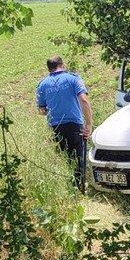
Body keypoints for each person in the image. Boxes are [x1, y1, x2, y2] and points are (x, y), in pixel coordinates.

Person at [36, 56, 93, 191]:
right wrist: (89, 124)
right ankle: (80, 189)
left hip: (55, 126)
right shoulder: (73, 78)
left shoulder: (42, 84)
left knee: (62, 158)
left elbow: (42, 110)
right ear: (62, 65)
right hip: (74, 124)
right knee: (78, 158)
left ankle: (66, 189)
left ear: (49, 68)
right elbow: (84, 100)